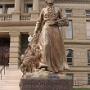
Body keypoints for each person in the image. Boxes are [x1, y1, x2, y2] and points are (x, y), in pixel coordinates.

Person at [33, 0, 69, 73]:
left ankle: (56, 67)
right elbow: (39, 22)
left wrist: (57, 22)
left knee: (56, 48)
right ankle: (43, 65)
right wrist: (35, 31)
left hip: (55, 29)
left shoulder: (58, 9)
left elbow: (65, 22)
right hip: (46, 27)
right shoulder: (43, 10)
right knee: (46, 44)